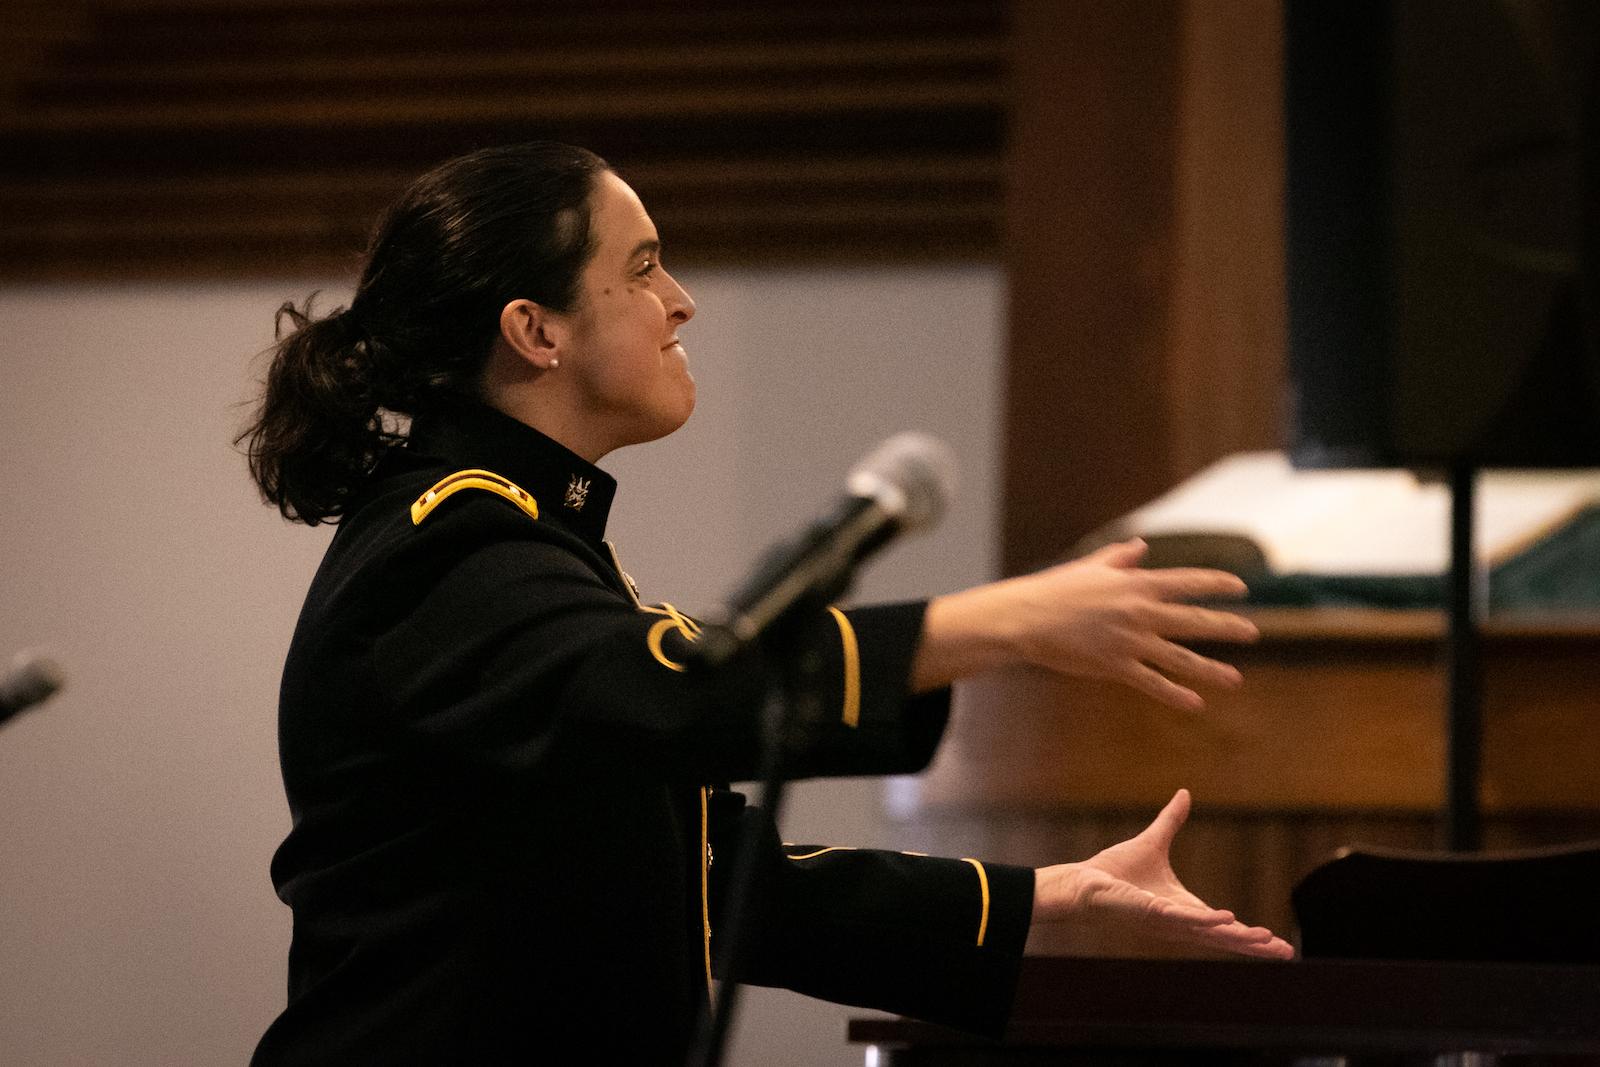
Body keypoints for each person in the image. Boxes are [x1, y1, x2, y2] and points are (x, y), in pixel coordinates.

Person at [240, 142, 1291, 1066]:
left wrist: (1049, 904)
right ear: (535, 329)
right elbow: (673, 689)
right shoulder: (446, 543)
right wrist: (996, 622)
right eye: (643, 267)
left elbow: (718, 883)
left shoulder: (524, 546)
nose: (681, 299)